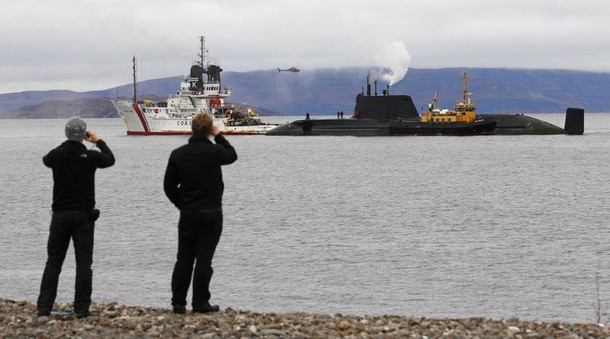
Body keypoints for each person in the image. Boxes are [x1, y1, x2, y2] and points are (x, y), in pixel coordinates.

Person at [37, 117, 115, 318]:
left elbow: (46, 159)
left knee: (53, 261)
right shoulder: (90, 157)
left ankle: (44, 307)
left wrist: (68, 143)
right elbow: (110, 159)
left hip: (60, 215)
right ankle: (81, 308)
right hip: (83, 217)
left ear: (66, 134)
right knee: (83, 263)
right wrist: (98, 141)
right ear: (84, 135)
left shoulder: (57, 155)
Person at [164, 113, 237, 314]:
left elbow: (169, 186)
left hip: (188, 213)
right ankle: (200, 302)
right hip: (211, 212)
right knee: (204, 259)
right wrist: (219, 135)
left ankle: (178, 302)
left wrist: (182, 204)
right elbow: (232, 154)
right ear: (209, 130)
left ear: (192, 129)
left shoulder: (178, 154)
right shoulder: (214, 153)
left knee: (184, 258)